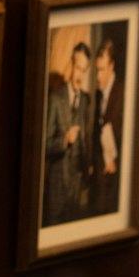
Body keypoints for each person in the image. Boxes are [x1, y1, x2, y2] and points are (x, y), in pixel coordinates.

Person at [42, 42, 95, 226]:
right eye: (78, 68)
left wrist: (88, 166)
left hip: (76, 190)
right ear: (71, 65)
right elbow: (45, 145)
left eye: (84, 70)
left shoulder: (86, 101)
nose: (80, 75)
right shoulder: (55, 99)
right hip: (57, 189)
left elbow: (86, 140)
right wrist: (64, 140)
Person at [92, 35, 124, 216]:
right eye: (96, 70)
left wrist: (116, 162)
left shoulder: (122, 93)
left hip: (115, 181)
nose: (97, 76)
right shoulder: (98, 95)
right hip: (99, 178)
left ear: (111, 66)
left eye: (101, 70)